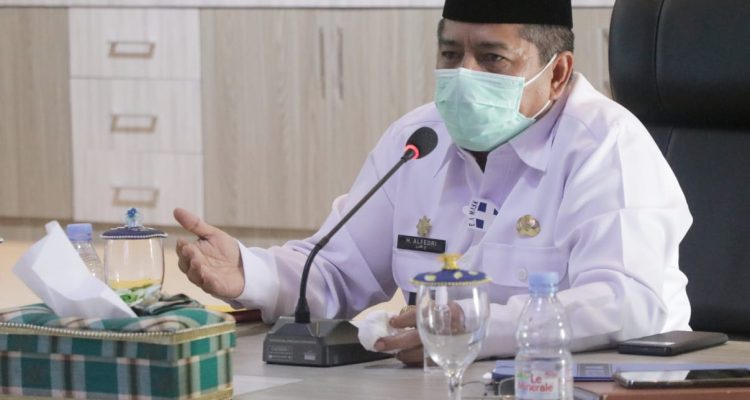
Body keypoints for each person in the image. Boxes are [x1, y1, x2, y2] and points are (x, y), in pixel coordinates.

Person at [174, 0, 693, 365]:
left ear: (557, 74)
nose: (463, 74)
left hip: (590, 381)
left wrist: (473, 328)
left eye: (491, 57)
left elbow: (627, 303)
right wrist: (249, 273)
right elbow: (334, 270)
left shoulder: (606, 145)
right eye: (450, 55)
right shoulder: (418, 139)